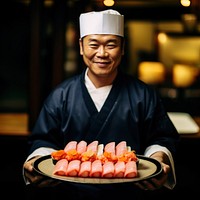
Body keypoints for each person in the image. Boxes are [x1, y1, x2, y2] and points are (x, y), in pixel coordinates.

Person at [23, 9, 179, 200]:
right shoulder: (61, 95)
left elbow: (161, 138)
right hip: (71, 196)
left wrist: (158, 161)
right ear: (81, 47)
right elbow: (43, 140)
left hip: (130, 195)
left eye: (111, 45)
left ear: (122, 48)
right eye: (94, 44)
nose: (102, 53)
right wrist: (36, 161)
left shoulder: (143, 95)